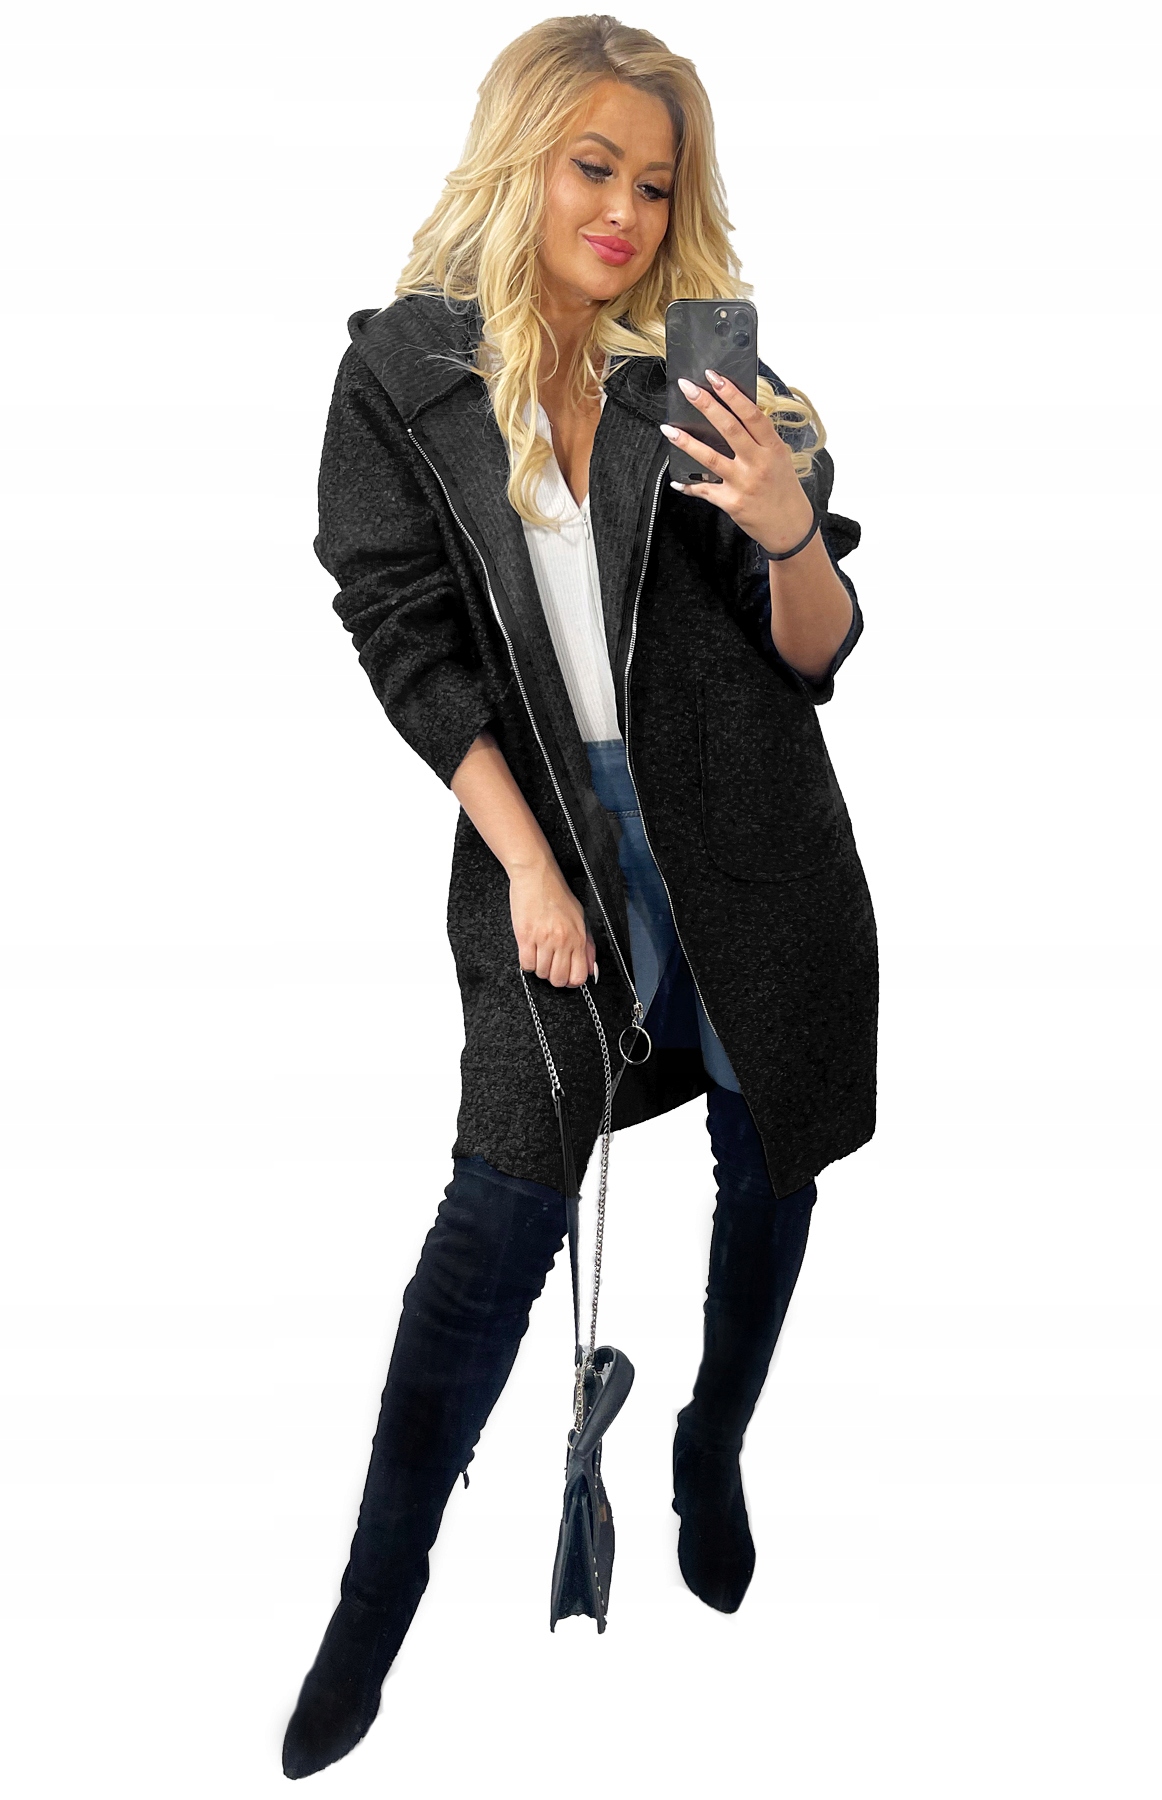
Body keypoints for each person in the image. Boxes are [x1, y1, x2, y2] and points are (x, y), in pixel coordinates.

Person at [282, 12, 878, 1780]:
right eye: (593, 167)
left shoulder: (710, 382)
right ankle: (370, 1608)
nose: (625, 212)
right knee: (493, 1218)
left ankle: (710, 1443)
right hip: (549, 846)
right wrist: (534, 868)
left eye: (658, 185)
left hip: (755, 840)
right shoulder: (403, 379)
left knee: (771, 1157)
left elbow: (819, 654)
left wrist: (785, 522)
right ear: (520, 159)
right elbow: (404, 638)